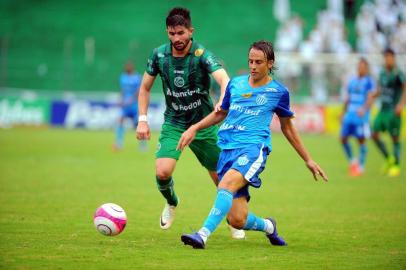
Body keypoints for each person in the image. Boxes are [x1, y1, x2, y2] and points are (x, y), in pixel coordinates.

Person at [177, 40, 328, 249]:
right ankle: (268, 226)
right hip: (227, 150)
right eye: (250, 61)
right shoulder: (235, 84)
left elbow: (288, 127)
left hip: (253, 149)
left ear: (270, 63)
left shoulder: (278, 92)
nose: (253, 66)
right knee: (237, 219)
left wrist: (308, 159)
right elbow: (221, 112)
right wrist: (195, 128)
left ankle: (202, 235)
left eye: (258, 62)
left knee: (226, 185)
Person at [136, 7, 245, 238]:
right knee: (163, 172)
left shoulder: (202, 55)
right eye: (172, 33)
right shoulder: (158, 56)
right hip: (174, 123)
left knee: (222, 181)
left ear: (190, 31)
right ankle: (172, 202)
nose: (176, 38)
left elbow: (224, 78)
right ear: (167, 32)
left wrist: (223, 101)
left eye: (181, 33)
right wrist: (142, 120)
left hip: (204, 125)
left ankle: (231, 220)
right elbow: (144, 88)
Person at [372, 48, 406, 177]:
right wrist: (372, 95)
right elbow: (381, 90)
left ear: (394, 58)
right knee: (374, 134)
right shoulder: (382, 73)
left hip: (393, 111)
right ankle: (388, 158)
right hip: (383, 110)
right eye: (386, 57)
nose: (388, 59)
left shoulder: (398, 73)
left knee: (395, 138)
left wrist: (401, 105)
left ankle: (396, 165)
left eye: (390, 57)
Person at [340, 58, 377, 176]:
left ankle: (361, 166)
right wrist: (342, 112)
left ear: (366, 69)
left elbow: (371, 98)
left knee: (361, 139)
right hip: (350, 114)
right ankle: (353, 161)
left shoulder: (369, 82)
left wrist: (364, 109)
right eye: (359, 66)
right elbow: (347, 98)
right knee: (343, 138)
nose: (360, 68)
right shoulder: (352, 81)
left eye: (363, 67)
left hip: (361, 115)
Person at [113, 61, 146, 151]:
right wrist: (121, 99)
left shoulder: (137, 77)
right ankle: (119, 143)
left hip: (135, 105)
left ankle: (143, 145)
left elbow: (140, 90)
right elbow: (122, 90)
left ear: (132, 68)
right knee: (120, 120)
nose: (127, 68)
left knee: (138, 124)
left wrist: (131, 99)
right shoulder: (123, 77)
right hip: (126, 105)